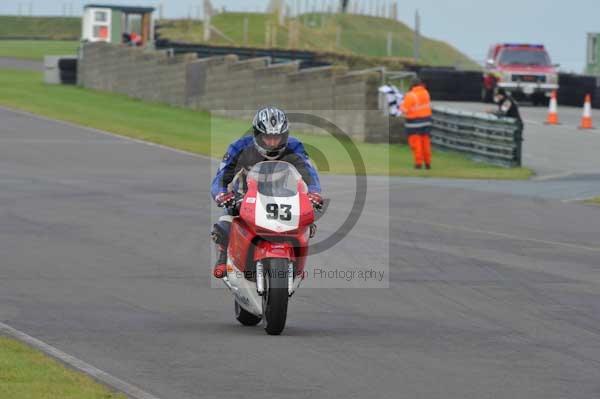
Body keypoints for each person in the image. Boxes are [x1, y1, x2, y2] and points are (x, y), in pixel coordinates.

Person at [210, 106, 323, 278]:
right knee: (225, 223)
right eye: (267, 137)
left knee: (307, 223)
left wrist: (314, 192)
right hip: (245, 196)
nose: (272, 143)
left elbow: (309, 172)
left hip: (282, 196)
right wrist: (221, 194)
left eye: (277, 137)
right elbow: (221, 177)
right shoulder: (239, 147)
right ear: (257, 135)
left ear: (284, 135)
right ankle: (223, 256)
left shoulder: (294, 146)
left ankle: (296, 264)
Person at [400, 77, 433, 170]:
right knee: (426, 143)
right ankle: (428, 163)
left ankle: (418, 163)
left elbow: (404, 109)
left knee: (416, 144)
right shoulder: (426, 93)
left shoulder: (410, 95)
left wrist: (401, 104)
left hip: (414, 123)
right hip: (427, 122)